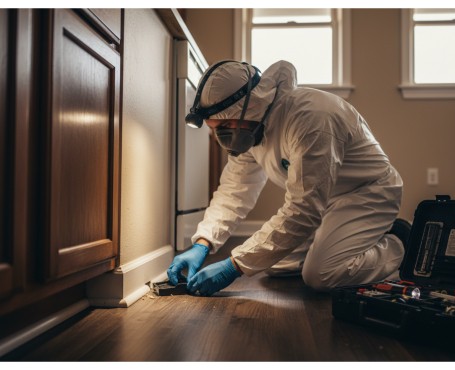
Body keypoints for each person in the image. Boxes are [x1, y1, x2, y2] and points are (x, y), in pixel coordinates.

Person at [167, 59, 410, 296]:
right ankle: (328, 243)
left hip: (365, 194)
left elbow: (304, 209)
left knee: (321, 275)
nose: (223, 137)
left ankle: (399, 243)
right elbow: (234, 191)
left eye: (225, 125)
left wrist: (235, 265)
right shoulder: (250, 126)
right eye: (216, 130)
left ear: (248, 105)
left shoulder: (311, 117)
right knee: (272, 264)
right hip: (323, 203)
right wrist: (203, 242)